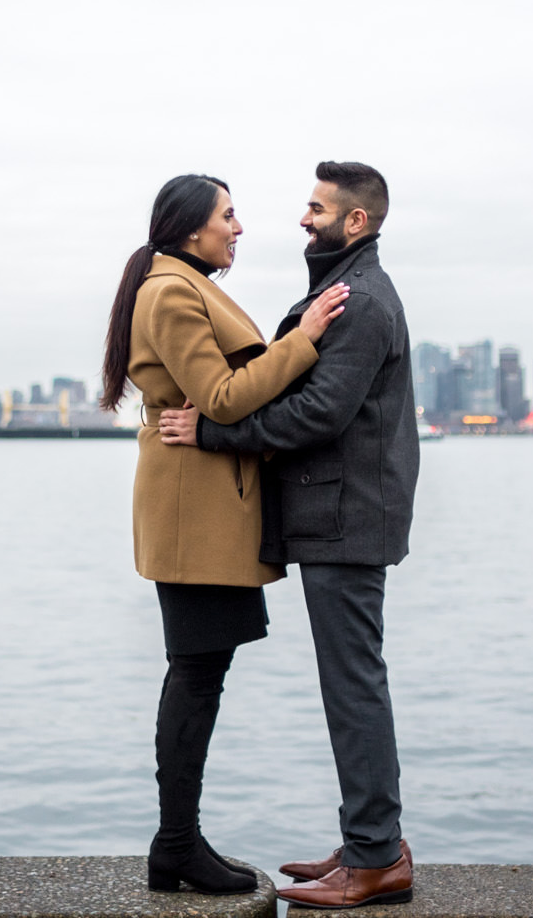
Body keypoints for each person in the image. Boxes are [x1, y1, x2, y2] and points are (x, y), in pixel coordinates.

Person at [159, 160, 420, 910]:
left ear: (355, 221)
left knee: (354, 683)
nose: (303, 219)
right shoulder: (344, 289)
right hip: (336, 513)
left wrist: (212, 432)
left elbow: (319, 414)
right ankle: (368, 838)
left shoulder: (361, 300)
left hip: (344, 517)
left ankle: (376, 856)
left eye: (315, 207)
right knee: (352, 680)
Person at [99, 173, 350, 895]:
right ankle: (176, 844)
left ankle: (176, 842)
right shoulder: (173, 290)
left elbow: (215, 399)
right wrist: (303, 340)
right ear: (188, 228)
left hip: (201, 500)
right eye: (227, 216)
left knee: (200, 672)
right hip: (193, 508)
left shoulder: (177, 282)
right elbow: (224, 395)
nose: (238, 228)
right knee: (196, 674)